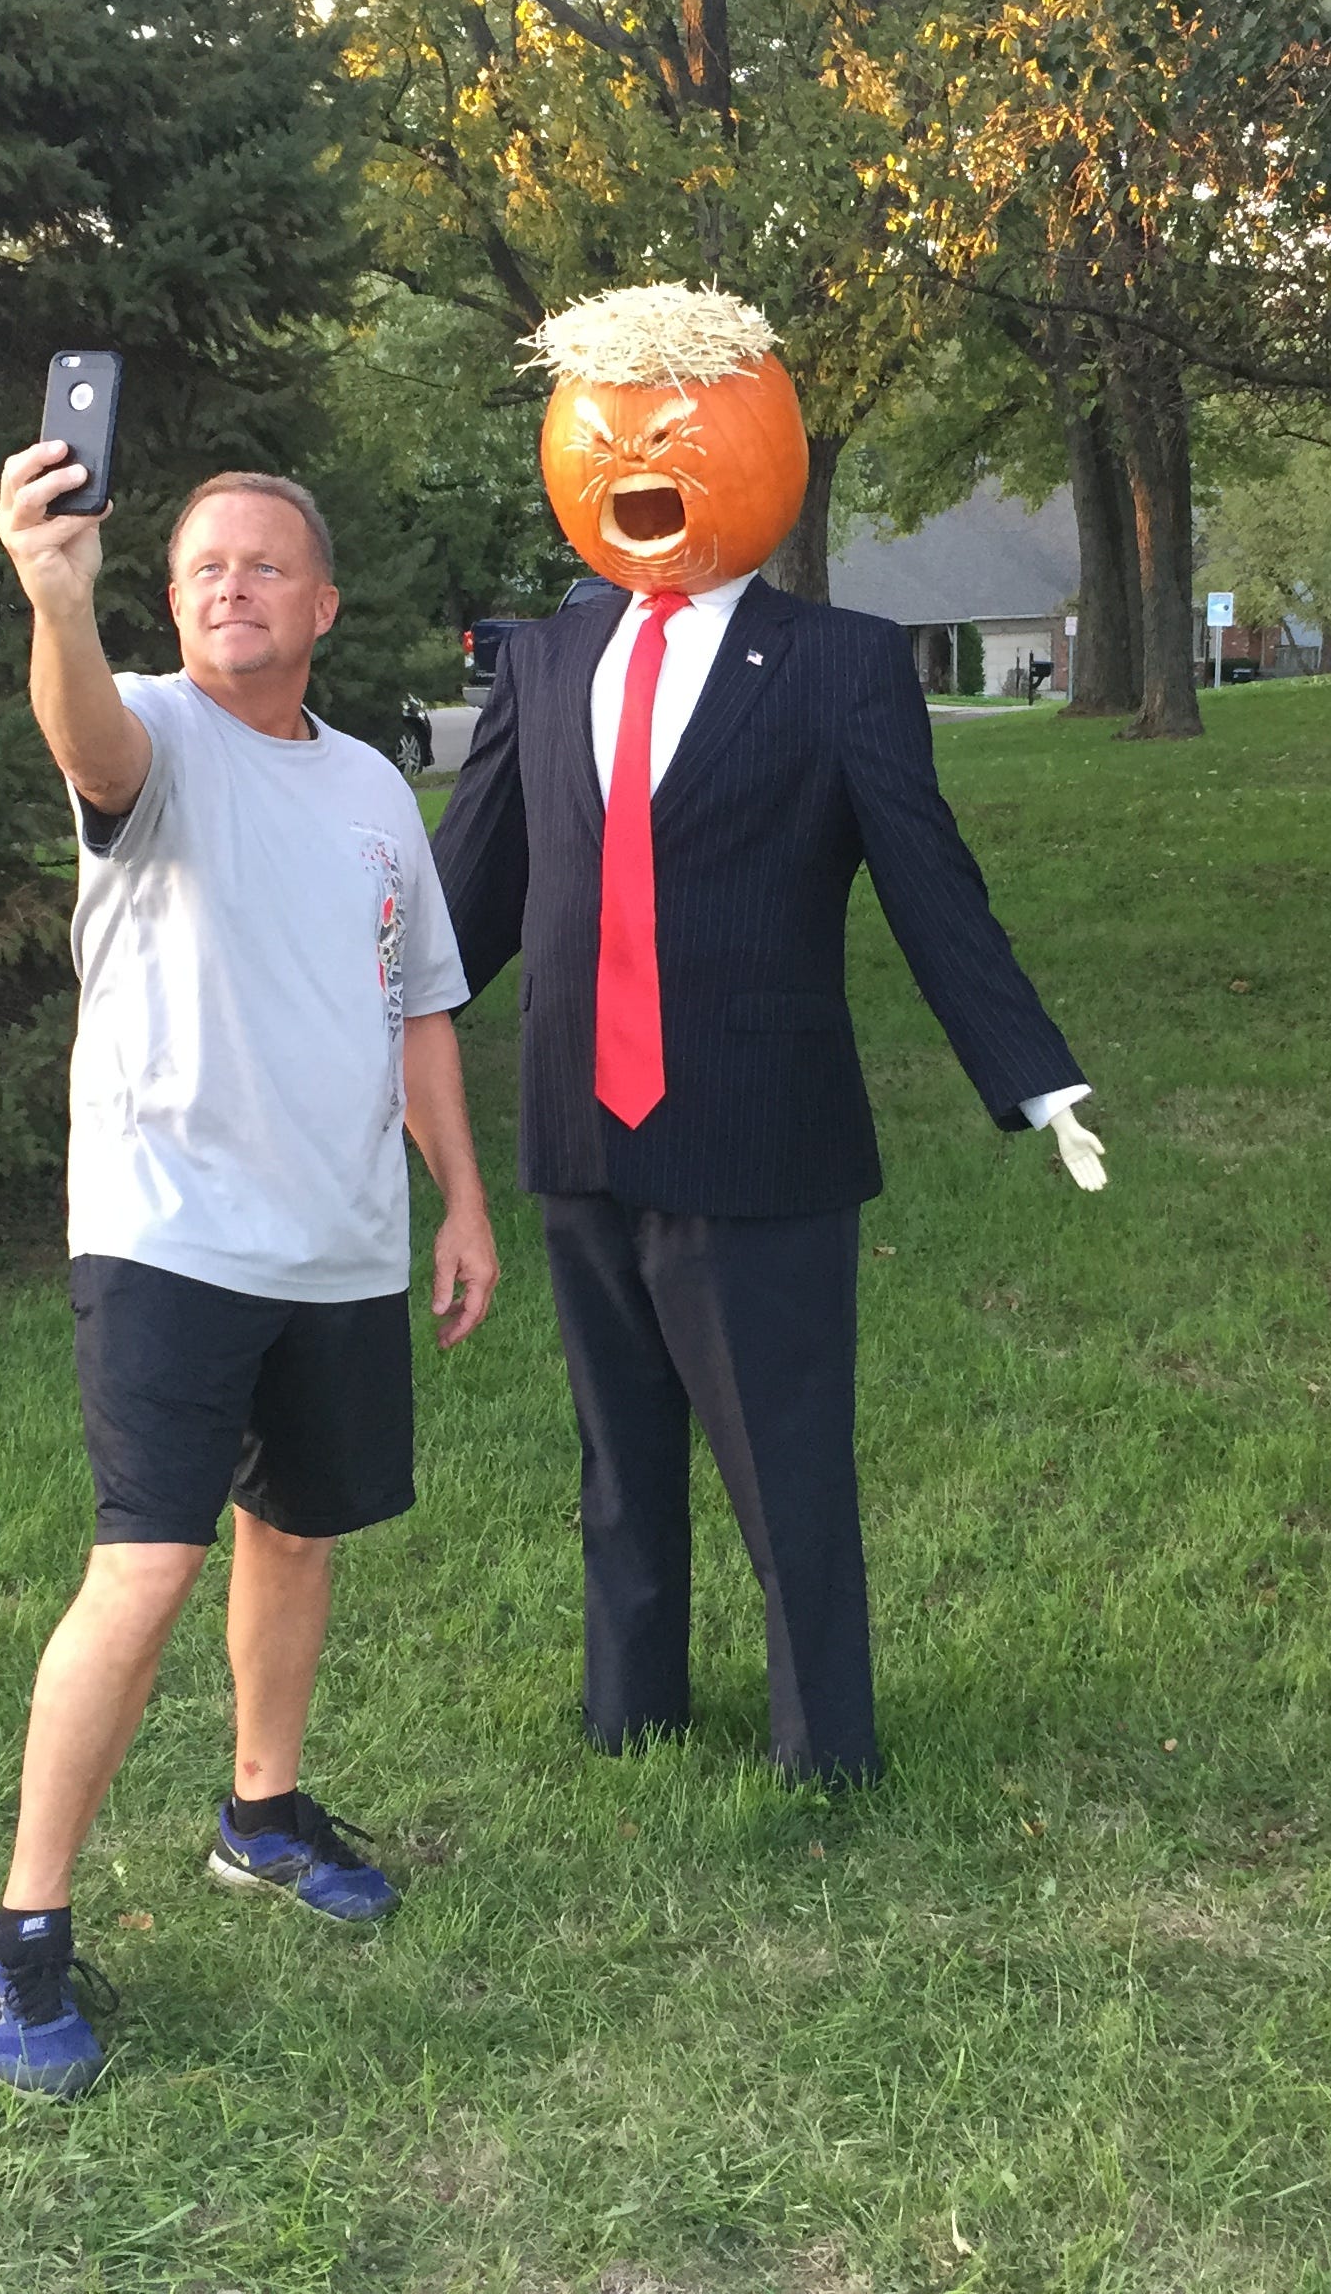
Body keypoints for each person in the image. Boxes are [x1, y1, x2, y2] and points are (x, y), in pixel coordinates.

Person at [432, 284, 1105, 1791]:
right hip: (578, 1125)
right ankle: (633, 1713)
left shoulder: (838, 664)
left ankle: (825, 1750)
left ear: (756, 446)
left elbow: (934, 891)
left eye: (670, 431)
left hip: (761, 1129)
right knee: (617, 1460)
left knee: (784, 1460)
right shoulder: (544, 661)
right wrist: (343, 1026)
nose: (635, 458)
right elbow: (464, 903)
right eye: (603, 433)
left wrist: (1034, 1075)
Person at [0, 443, 499, 2099]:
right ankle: (20, 1936)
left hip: (338, 1242)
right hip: (169, 1227)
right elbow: (86, 741)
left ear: (322, 606)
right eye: (201, 568)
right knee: (149, 1563)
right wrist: (57, 592)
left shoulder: (370, 796)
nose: (229, 587)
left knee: (300, 1529)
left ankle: (261, 1813)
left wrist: (461, 1203)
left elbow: (417, 1011)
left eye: (263, 567)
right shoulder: (149, 733)